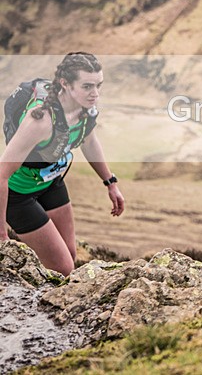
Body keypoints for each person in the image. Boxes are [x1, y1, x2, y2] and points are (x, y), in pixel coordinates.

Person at [0, 52, 125, 275]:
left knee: (70, 255)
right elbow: (1, 174)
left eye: (99, 85)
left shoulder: (85, 110)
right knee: (63, 267)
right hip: (18, 195)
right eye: (87, 86)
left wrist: (110, 182)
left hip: (51, 182)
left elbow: (89, 141)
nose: (95, 94)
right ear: (65, 84)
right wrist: (1, 234)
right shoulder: (40, 121)